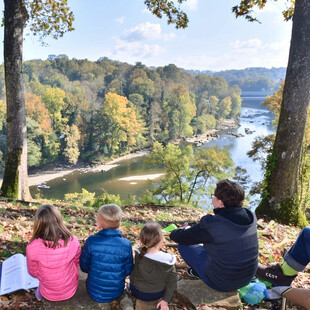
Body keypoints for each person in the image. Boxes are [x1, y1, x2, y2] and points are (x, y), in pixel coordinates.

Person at [170, 179, 258, 292]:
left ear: (220, 202)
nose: (212, 199)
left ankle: (200, 273)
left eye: (214, 196)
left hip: (221, 281)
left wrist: (175, 232)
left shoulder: (212, 224)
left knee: (184, 245)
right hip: (247, 277)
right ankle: (201, 270)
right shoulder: (251, 216)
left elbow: (182, 237)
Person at [26, 204, 81, 301]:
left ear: (38, 224)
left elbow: (33, 272)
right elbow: (77, 261)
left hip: (48, 291)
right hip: (70, 288)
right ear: (59, 220)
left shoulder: (32, 246)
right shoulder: (73, 240)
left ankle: (41, 293)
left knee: (41, 287)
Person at [80, 204, 133, 303]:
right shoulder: (126, 244)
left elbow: (84, 267)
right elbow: (128, 270)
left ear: (99, 225)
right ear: (119, 224)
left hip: (93, 290)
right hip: (115, 291)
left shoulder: (91, 241)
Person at [130, 222, 178, 310]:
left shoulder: (138, 253)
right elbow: (172, 281)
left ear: (141, 240)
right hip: (155, 294)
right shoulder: (167, 260)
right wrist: (165, 300)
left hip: (135, 291)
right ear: (160, 241)